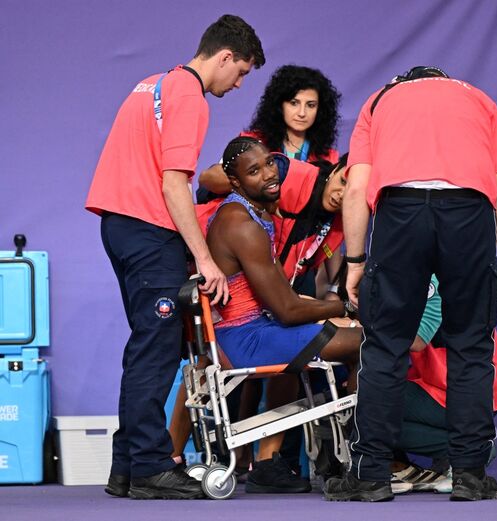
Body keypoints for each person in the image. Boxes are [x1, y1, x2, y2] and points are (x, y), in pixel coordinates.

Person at [85, 15, 264, 500]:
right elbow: (172, 183)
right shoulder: (189, 97)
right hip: (147, 230)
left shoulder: (151, 85)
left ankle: (127, 467)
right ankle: (148, 466)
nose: (240, 83)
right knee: (157, 347)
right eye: (242, 71)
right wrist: (204, 260)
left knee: (146, 343)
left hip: (118, 226)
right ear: (224, 56)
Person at [325, 66, 497, 502]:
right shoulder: (479, 97)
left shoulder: (380, 99)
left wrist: (355, 261)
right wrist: (485, 251)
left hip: (401, 209)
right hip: (470, 211)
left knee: (385, 345)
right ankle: (469, 474)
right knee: (471, 346)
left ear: (403, 83)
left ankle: (372, 474)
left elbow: (357, 188)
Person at [205, 136, 362, 493]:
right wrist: (345, 306)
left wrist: (330, 311)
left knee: (356, 338)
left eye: (270, 164)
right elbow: (289, 311)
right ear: (236, 182)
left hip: (256, 331)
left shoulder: (255, 215)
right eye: (254, 171)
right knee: (370, 345)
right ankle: (361, 458)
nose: (269, 175)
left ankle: (340, 455)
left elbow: (287, 302)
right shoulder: (240, 222)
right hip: (248, 339)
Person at [389, 277, 497, 495]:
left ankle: (473, 451)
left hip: (467, 388)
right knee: (377, 410)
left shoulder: (433, 278)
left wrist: (362, 324)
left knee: (375, 403)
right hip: (447, 382)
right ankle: (465, 451)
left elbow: (417, 339)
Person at [197, 64, 341, 197]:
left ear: (320, 110)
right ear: (279, 105)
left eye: (310, 105)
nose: (302, 113)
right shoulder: (251, 142)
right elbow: (207, 178)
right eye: (294, 103)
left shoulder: (329, 158)